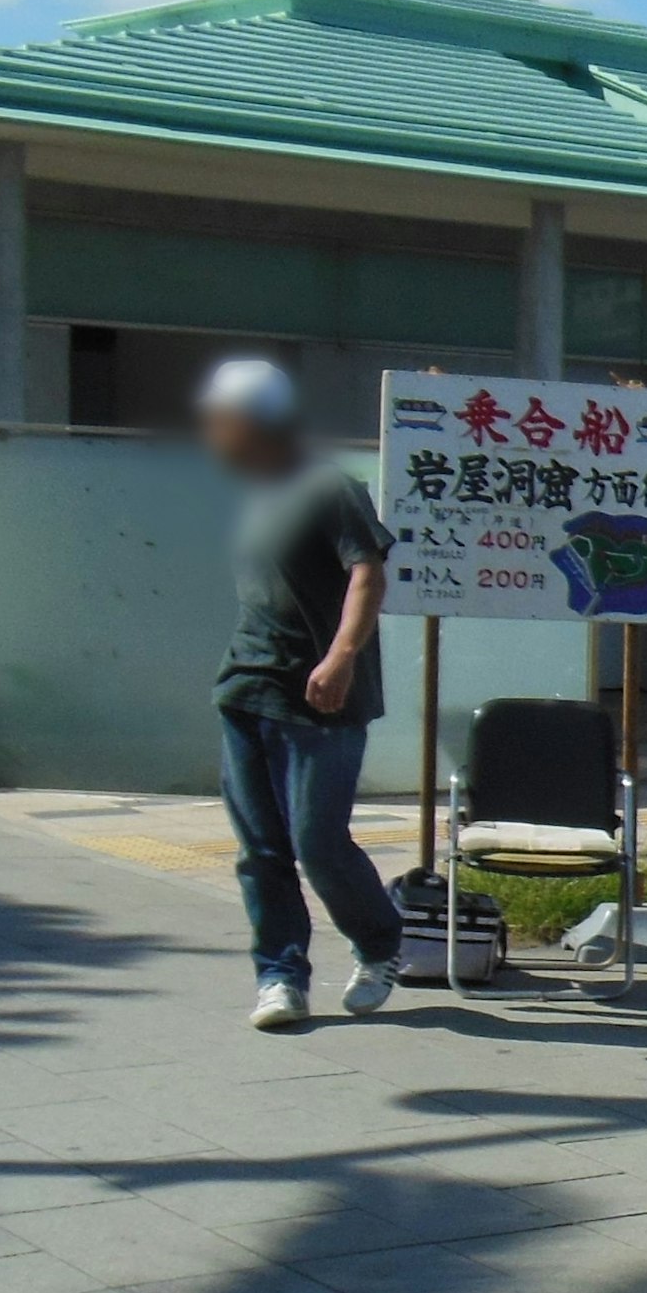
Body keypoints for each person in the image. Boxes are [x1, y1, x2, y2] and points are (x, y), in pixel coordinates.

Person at [199, 359, 405, 1030]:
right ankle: (280, 976)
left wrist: (342, 655)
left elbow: (367, 574)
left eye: (223, 417)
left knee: (317, 841)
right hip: (247, 687)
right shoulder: (252, 493)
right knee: (261, 848)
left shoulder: (328, 488)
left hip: (324, 700)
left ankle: (380, 946)